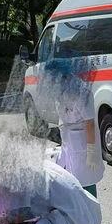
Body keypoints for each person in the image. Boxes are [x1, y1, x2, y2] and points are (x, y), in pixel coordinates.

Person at [44, 60, 104, 197]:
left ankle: (91, 208)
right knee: (72, 180)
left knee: (86, 180)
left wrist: (91, 151)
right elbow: (63, 118)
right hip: (70, 142)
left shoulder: (82, 93)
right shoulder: (60, 92)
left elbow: (89, 123)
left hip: (84, 143)